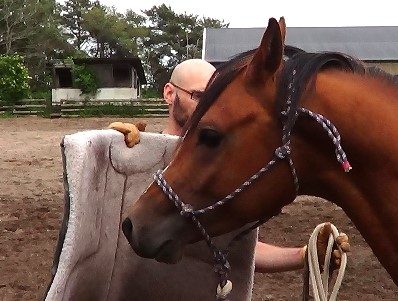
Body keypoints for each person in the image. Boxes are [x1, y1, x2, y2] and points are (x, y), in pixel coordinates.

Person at [110, 59, 349, 274]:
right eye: (199, 96)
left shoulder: (225, 171)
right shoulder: (135, 148)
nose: (210, 107)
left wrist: (304, 255)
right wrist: (107, 148)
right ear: (170, 93)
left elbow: (242, 250)